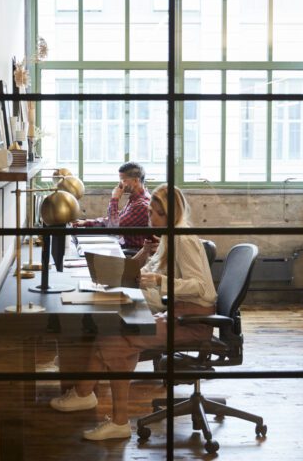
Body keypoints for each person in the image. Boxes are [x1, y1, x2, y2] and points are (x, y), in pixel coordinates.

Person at [50, 184, 217, 440]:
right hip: (174, 313)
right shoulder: (170, 235)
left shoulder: (183, 238)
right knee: (114, 337)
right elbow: (155, 274)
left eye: (155, 213)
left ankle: (105, 411)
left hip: (192, 320)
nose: (150, 218)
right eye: (149, 212)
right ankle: (89, 398)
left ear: (170, 214)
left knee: (114, 340)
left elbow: (203, 288)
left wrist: (158, 281)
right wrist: (146, 263)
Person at [73, 161, 151, 252]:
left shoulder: (141, 205)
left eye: (123, 180)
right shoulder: (135, 199)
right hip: (125, 246)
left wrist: (115, 199)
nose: (120, 184)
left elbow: (114, 227)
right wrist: (86, 222)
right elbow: (113, 220)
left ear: (135, 181)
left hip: (133, 252)